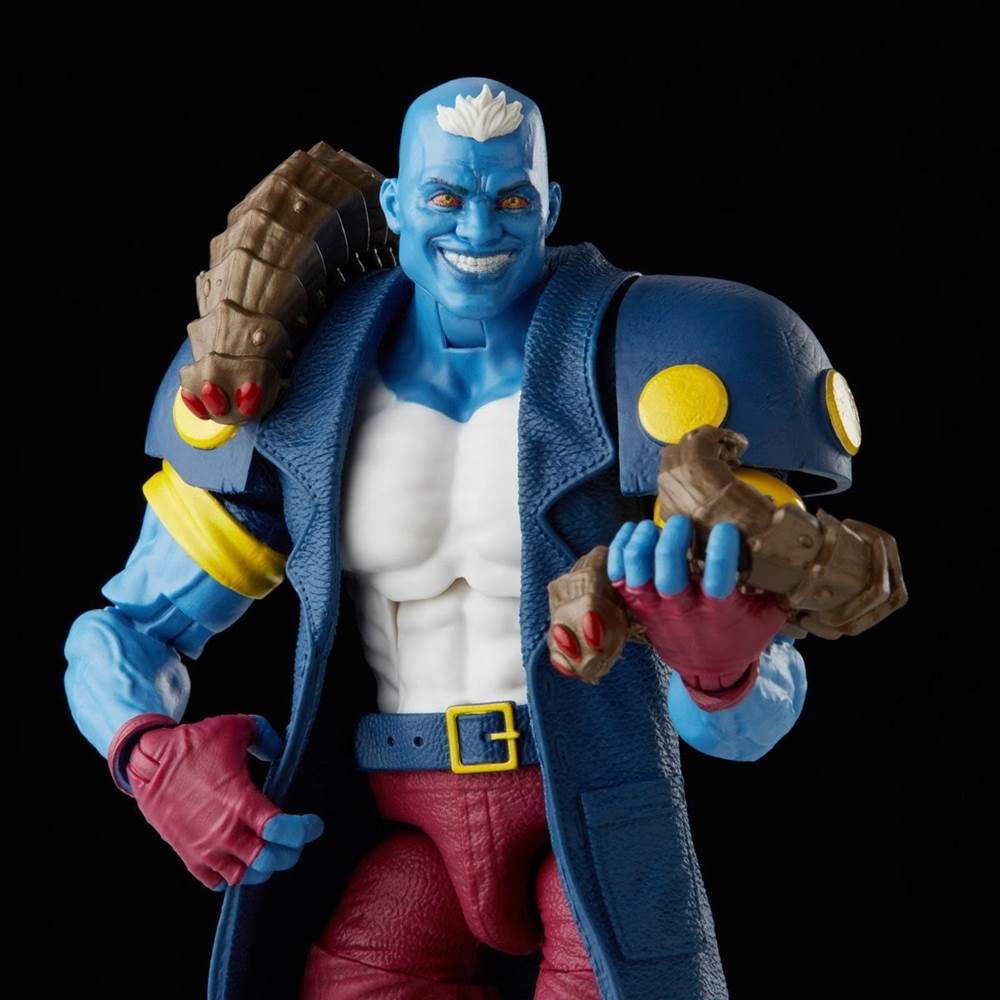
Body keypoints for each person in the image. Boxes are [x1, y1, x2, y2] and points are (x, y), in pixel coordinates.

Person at [65, 78, 860, 999]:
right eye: (446, 196)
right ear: (397, 203)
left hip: (593, 821)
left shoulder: (658, 361)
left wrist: (724, 677)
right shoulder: (302, 376)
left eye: (510, 200)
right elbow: (126, 630)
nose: (478, 229)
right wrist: (147, 752)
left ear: (549, 206)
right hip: (402, 819)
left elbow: (760, 701)